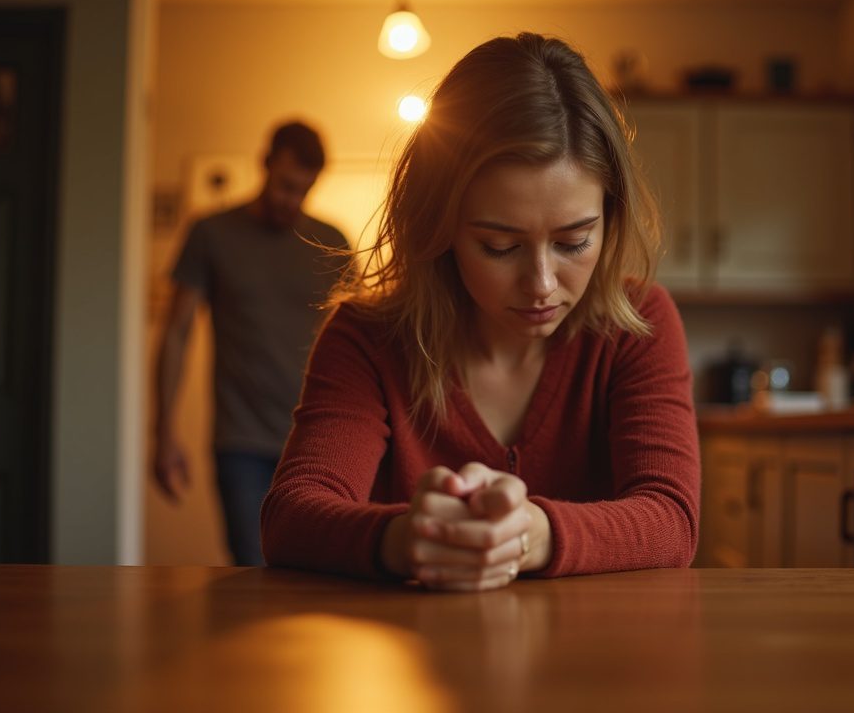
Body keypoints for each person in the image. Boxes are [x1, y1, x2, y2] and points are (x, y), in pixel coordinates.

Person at [261, 33, 700, 591]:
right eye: (500, 246)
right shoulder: (367, 340)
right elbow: (291, 516)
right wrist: (405, 538)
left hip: (597, 665)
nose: (541, 284)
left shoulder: (638, 325)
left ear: (609, 221)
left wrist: (529, 533)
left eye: (573, 242)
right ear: (440, 227)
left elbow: (672, 519)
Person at [154, 120, 350, 566]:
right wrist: (163, 434)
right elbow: (176, 335)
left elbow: (364, 341)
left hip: (319, 438)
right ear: (264, 164)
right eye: (284, 185)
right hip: (241, 441)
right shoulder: (211, 234)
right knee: (254, 569)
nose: (291, 200)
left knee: (324, 572)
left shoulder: (331, 243)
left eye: (303, 189)